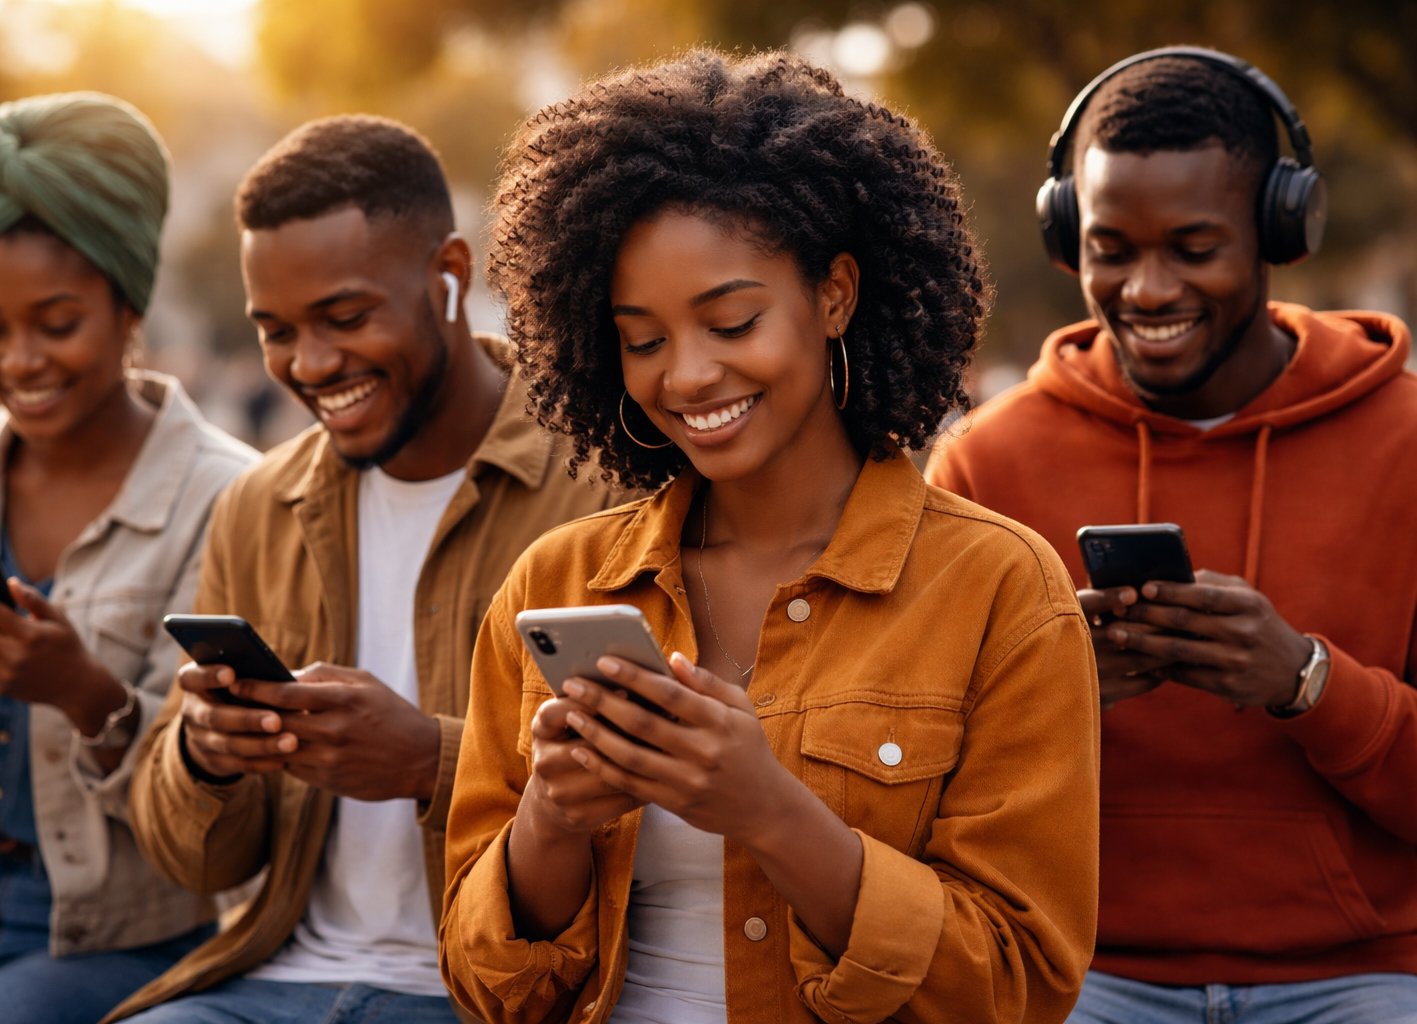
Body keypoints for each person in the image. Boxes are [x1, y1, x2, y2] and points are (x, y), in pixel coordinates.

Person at [440, 50, 1101, 1024]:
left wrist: (770, 811)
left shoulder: (999, 587)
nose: (686, 376)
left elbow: (1017, 984)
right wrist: (553, 817)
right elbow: (483, 986)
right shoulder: (560, 581)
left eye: (732, 322)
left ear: (835, 295)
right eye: (643, 339)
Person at [925, 49, 1417, 1023]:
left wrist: (1306, 681)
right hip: (1079, 966)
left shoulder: (1404, 443)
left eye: (1194, 249)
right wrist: (1046, 692)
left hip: (1360, 973)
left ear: (1280, 230)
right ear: (1067, 236)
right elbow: (916, 776)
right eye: (1111, 250)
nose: (1147, 290)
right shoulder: (985, 461)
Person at [109, 115, 627, 1024]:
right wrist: (203, 756)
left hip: (489, 997)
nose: (310, 364)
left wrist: (432, 760)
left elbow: (653, 807)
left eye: (346, 318)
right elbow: (196, 862)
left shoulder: (602, 484)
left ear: (450, 274)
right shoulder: (258, 506)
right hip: (273, 980)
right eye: (276, 331)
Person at [0, 93, 258, 1024]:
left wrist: (82, 691)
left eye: (57, 325)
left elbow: (215, 814)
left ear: (129, 306)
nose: (20, 362)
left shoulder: (228, 497)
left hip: (114, 937)